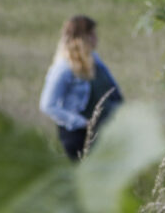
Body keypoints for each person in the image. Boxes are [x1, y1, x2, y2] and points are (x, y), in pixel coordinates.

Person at [39, 15, 123, 161]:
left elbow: (111, 88)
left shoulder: (94, 59)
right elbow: (48, 105)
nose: (96, 38)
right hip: (79, 137)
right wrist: (81, 122)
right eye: (92, 34)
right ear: (82, 38)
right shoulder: (63, 68)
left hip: (103, 133)